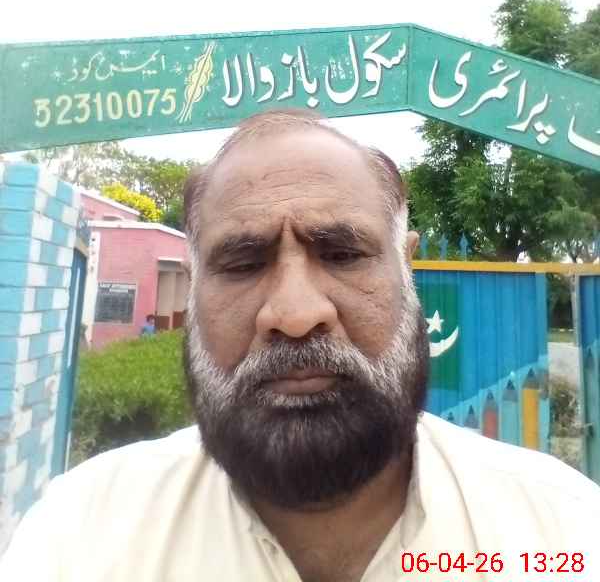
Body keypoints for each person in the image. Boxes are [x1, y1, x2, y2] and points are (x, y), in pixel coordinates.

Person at [2, 109, 599, 582]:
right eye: (243, 264)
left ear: (407, 272)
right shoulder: (81, 540)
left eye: (342, 255)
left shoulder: (561, 536)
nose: (293, 315)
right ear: (194, 286)